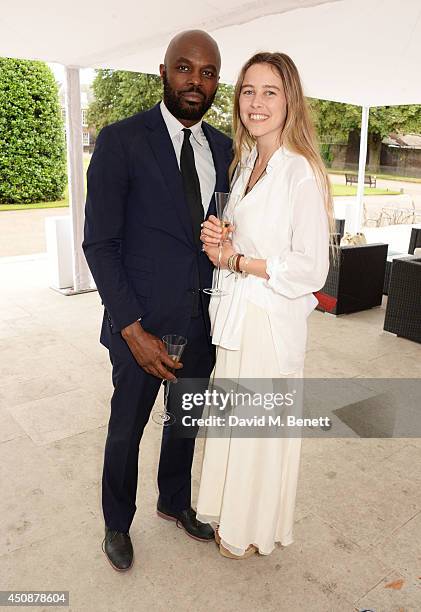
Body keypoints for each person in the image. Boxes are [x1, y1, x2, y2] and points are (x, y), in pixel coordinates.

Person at [83, 30, 232, 571]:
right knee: (126, 428)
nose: (197, 81)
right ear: (163, 71)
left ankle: (174, 501)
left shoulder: (223, 147)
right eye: (186, 68)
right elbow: (100, 242)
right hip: (140, 326)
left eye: (209, 72)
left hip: (204, 322)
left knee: (185, 420)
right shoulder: (122, 139)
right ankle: (117, 524)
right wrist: (132, 329)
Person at [196, 52, 332, 559]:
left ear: (289, 100)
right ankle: (232, 514)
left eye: (269, 92)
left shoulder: (302, 172)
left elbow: (310, 269)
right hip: (237, 314)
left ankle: (250, 529)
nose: (256, 102)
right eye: (248, 91)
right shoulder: (248, 161)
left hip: (270, 323)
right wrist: (219, 239)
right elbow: (239, 240)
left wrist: (238, 262)